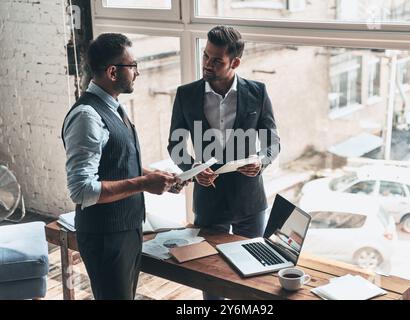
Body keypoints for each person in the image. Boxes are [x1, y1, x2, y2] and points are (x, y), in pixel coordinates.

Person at [62, 33, 185, 300]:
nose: (138, 72)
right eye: (133, 66)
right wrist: (144, 184)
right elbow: (82, 190)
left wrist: (157, 176)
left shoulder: (113, 106)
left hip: (125, 230)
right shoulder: (87, 116)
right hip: (106, 237)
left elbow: (119, 162)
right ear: (113, 72)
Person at [167, 26, 280, 299]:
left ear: (235, 62)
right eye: (206, 56)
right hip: (209, 200)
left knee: (252, 276)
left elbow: (272, 143)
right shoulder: (186, 94)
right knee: (210, 277)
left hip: (249, 201)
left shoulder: (258, 92)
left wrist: (261, 161)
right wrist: (194, 171)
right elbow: (176, 145)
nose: (207, 64)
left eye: (216, 60)